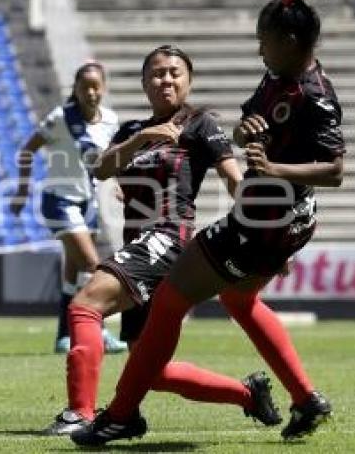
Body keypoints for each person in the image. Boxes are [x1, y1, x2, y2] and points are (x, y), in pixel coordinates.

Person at [72, 0, 355, 446]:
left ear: (290, 41)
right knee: (237, 300)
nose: (259, 51)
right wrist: (250, 135)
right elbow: (104, 168)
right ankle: (304, 398)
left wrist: (271, 171)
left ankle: (119, 415)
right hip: (268, 219)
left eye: (264, 41)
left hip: (261, 222)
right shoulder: (277, 77)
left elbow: (334, 170)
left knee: (166, 304)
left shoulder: (314, 96)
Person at [46, 46, 280, 435]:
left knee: (85, 304)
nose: (166, 79)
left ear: (188, 81)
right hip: (140, 243)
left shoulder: (200, 123)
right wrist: (142, 140)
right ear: (143, 83)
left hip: (170, 238)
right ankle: (248, 394)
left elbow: (234, 180)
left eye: (174, 72)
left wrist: (267, 227)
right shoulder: (132, 131)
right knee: (151, 370)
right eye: (156, 73)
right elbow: (102, 169)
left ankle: (80, 414)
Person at [8, 61, 127, 355]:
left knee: (73, 274)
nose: (91, 92)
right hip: (59, 202)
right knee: (92, 264)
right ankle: (98, 330)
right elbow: (27, 150)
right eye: (84, 86)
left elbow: (110, 159)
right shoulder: (61, 118)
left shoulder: (111, 120)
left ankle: (64, 336)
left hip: (88, 203)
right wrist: (22, 190)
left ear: (104, 88)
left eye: (96, 86)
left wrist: (119, 183)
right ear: (75, 88)